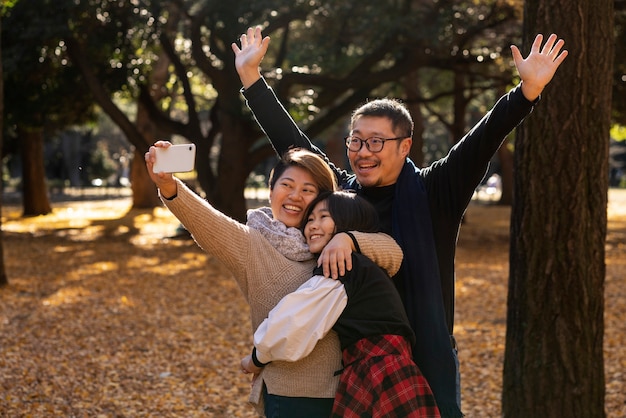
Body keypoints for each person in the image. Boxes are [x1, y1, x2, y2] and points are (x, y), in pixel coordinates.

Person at [232, 27, 568, 417]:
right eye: (356, 141)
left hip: (425, 356)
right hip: (353, 364)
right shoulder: (341, 196)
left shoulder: (435, 191)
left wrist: (525, 92)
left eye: (376, 142)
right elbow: (293, 144)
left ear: (405, 145)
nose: (362, 151)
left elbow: (482, 141)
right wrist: (251, 80)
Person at [145, 143, 403, 417]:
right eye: (287, 185)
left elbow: (394, 255)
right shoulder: (252, 246)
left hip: (353, 392)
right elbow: (206, 222)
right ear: (271, 191)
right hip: (292, 396)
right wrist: (170, 187)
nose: (295, 196)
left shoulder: (330, 239)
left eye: (308, 190)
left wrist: (347, 239)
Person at [241, 190, 441, 417]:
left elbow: (296, 321)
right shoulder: (361, 265)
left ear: (348, 221)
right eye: (310, 219)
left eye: (323, 217)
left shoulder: (342, 264)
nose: (313, 226)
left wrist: (257, 358)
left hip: (379, 371)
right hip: (382, 367)